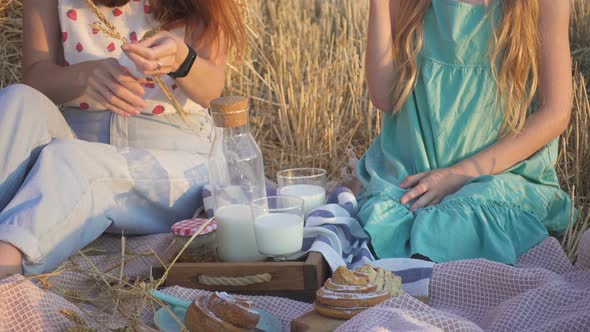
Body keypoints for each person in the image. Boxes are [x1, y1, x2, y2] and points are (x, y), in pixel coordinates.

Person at [0, 0, 246, 276]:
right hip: (77, 148)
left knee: (75, 161)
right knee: (18, 100)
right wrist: (82, 77)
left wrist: (181, 58)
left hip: (170, 167)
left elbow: (213, 92)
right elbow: (35, 77)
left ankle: (8, 260)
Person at [359, 0, 573, 264]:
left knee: (453, 229)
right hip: (413, 177)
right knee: (375, 223)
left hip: (499, 178)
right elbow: (385, 97)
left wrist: (459, 174)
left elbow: (556, 113)